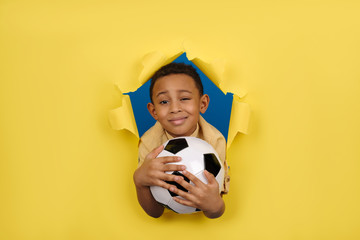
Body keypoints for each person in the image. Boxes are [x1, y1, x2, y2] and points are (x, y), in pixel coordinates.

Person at [133, 62, 230, 218]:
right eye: (164, 101)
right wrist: (139, 181)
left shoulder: (215, 140)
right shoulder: (149, 143)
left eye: (184, 98)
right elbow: (155, 213)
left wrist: (215, 205)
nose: (175, 108)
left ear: (202, 103)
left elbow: (216, 212)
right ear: (154, 111)